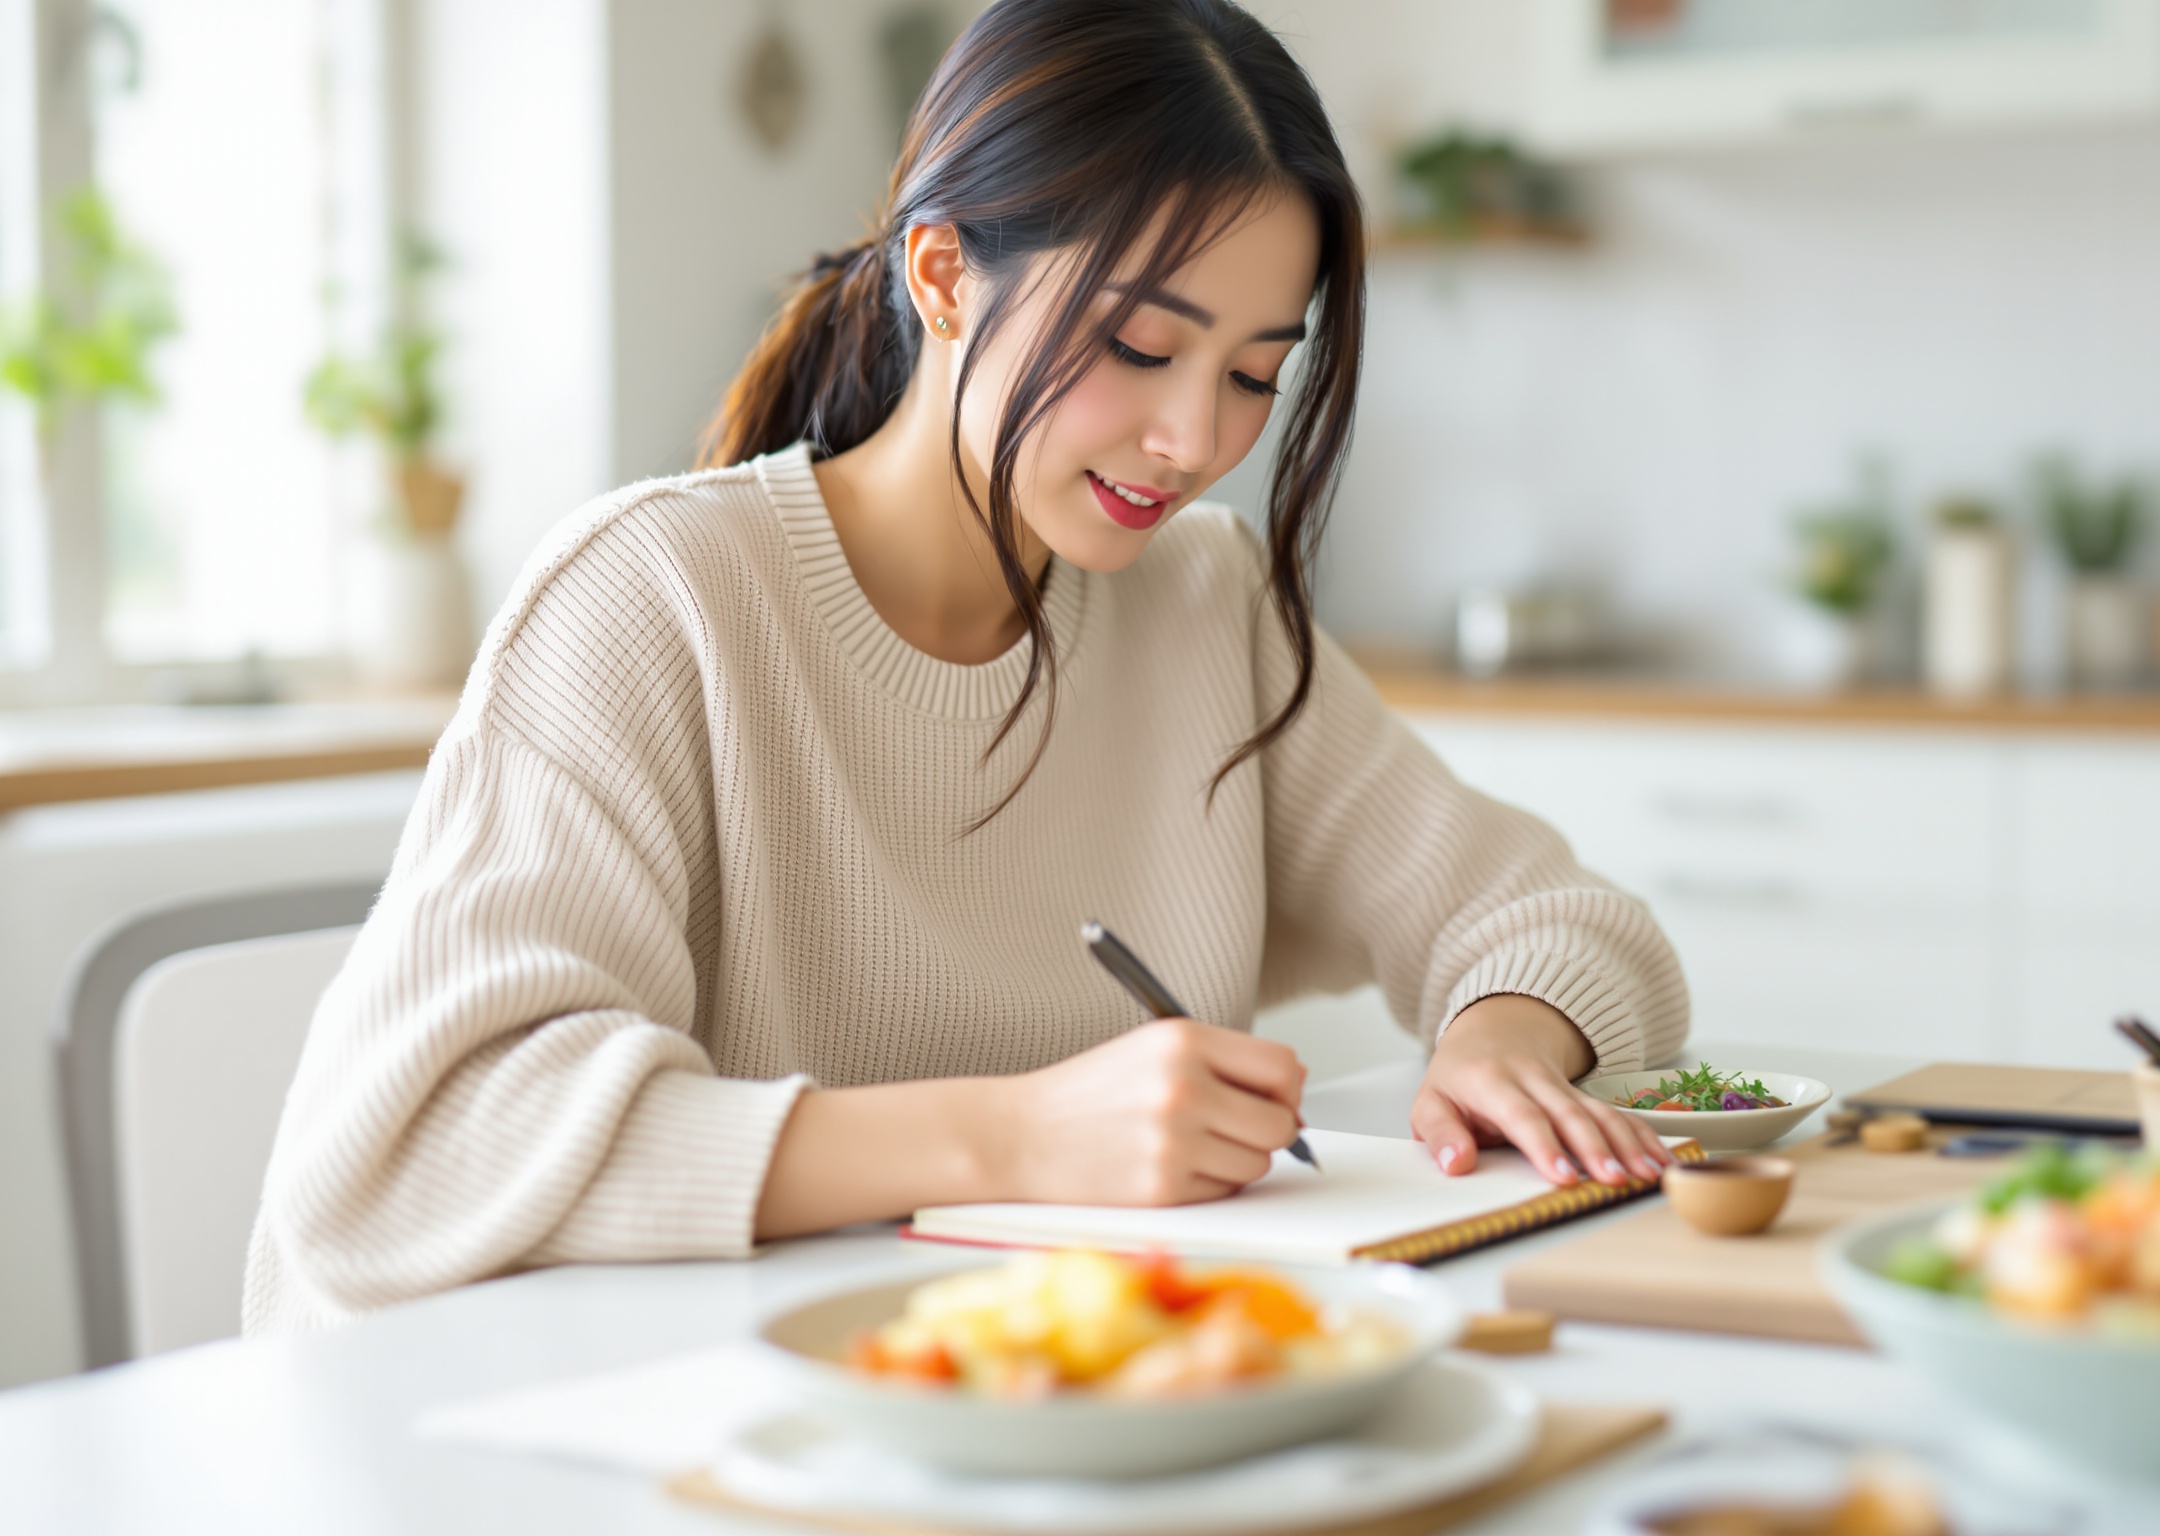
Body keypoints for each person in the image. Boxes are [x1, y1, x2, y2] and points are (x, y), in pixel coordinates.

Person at [244, 0, 1686, 1333]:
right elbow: (409, 1155)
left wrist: (1502, 1041)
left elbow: (1561, 924)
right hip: (565, 1419)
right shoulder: (653, 598)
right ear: (941, 274)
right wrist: (1015, 1134)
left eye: (1255, 373)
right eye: (1141, 345)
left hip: (1008, 1407)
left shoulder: (1205, 603)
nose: (1197, 441)